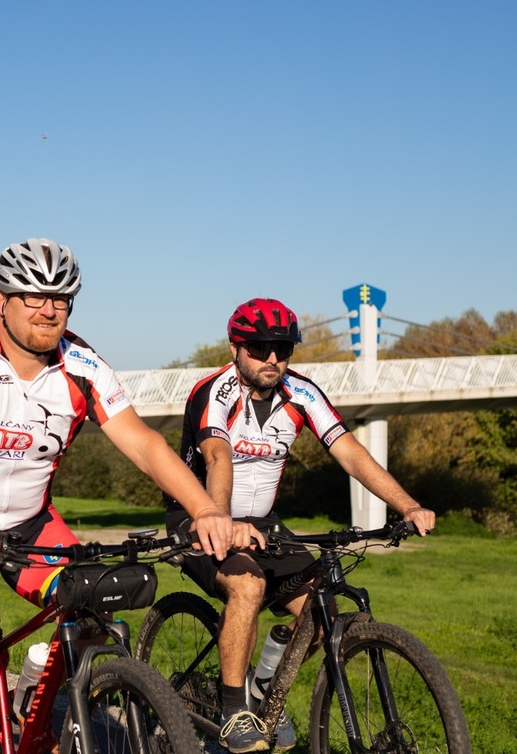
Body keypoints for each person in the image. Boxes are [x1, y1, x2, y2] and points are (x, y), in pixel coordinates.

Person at [0, 238, 236, 754]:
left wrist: (204, 509)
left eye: (61, 299)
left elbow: (144, 443)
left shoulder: (83, 365)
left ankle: (33, 705)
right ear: (2, 301)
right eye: (33, 296)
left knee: (96, 608)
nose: (48, 309)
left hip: (28, 521)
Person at [170, 297, 436, 753]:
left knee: (321, 613)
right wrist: (218, 519)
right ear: (236, 347)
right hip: (200, 514)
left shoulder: (301, 393)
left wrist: (408, 505)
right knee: (248, 585)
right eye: (260, 348)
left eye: (283, 348)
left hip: (264, 522)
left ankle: (262, 691)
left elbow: (350, 452)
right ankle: (234, 711)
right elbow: (218, 455)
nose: (273, 358)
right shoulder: (213, 392)